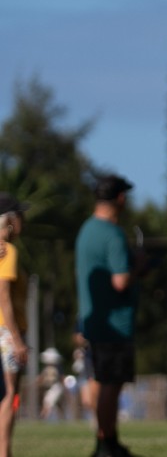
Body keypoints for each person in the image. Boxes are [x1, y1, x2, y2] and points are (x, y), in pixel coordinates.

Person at [74, 175, 140, 457]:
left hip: (93, 319)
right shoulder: (112, 233)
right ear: (120, 199)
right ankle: (105, 443)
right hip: (115, 323)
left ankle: (109, 442)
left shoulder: (86, 229)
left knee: (105, 382)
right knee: (110, 386)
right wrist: (142, 267)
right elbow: (121, 281)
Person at [0, 193, 30, 457]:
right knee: (9, 395)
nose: (24, 220)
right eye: (20, 215)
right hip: (7, 333)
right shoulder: (7, 251)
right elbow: (5, 297)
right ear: (9, 222)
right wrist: (17, 340)